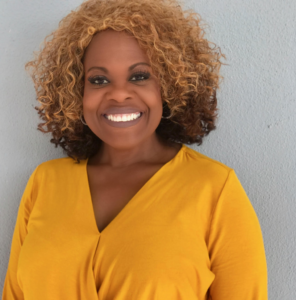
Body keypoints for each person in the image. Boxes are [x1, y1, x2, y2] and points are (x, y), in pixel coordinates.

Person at [2, 0, 268, 299]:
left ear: (169, 85)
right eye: (98, 80)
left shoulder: (215, 190)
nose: (118, 94)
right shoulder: (44, 183)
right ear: (77, 91)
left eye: (140, 76)